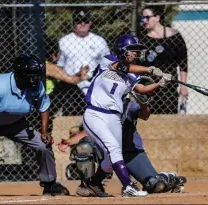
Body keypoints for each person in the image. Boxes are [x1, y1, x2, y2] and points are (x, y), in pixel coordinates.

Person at [68, 33, 172, 197]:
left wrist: (160, 83)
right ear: (122, 50)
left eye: (137, 50)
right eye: (132, 50)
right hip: (96, 113)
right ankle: (129, 187)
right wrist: (150, 69)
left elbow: (143, 90)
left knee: (110, 160)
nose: (136, 53)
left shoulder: (133, 75)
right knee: (114, 148)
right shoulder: (108, 60)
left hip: (114, 117)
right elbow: (122, 68)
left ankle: (93, 184)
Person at [0, 54, 69, 196]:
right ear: (20, 75)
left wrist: (45, 131)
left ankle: (50, 184)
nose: (35, 78)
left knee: (42, 144)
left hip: (15, 123)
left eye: (36, 74)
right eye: (31, 75)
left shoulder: (35, 85)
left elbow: (44, 107)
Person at [57, 76, 187, 196]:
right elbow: (93, 130)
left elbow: (145, 115)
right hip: (106, 150)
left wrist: (143, 102)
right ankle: (90, 186)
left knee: (156, 186)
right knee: (84, 147)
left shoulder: (129, 104)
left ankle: (168, 178)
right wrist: (70, 141)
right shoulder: (100, 104)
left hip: (130, 152)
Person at [55, 7, 110, 115]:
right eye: (79, 21)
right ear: (73, 23)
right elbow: (59, 66)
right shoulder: (64, 41)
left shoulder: (99, 41)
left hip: (94, 87)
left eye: (85, 20)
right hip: (71, 90)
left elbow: (108, 63)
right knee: (71, 121)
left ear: (90, 23)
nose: (82, 23)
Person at [139, 5, 188, 114]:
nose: (144, 21)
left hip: (168, 88)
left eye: (147, 17)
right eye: (143, 18)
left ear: (157, 17)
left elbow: (183, 63)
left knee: (169, 121)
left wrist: (183, 86)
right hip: (149, 88)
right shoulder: (143, 40)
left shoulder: (175, 37)